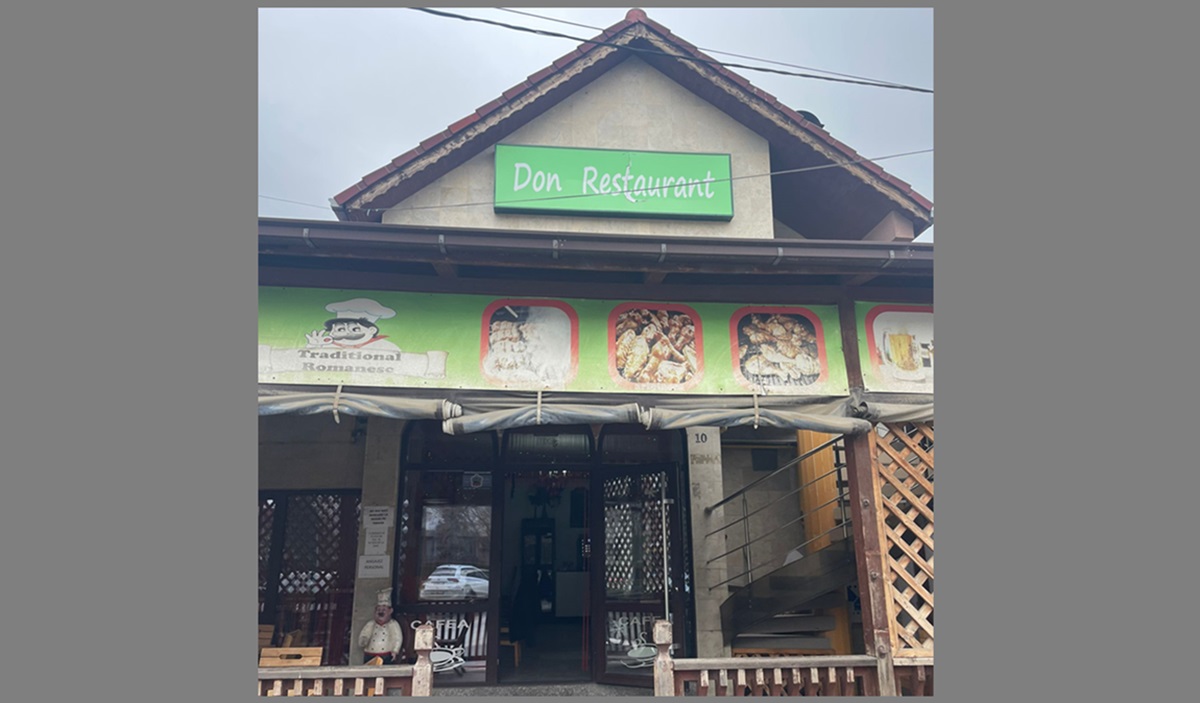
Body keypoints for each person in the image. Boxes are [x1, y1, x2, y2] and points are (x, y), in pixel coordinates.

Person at [358, 589, 403, 664]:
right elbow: (365, 634)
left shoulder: (393, 624)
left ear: (390, 611)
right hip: (370, 654)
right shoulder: (370, 624)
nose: (380, 612)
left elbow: (397, 638)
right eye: (378, 609)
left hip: (386, 654)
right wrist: (363, 640)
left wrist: (395, 650)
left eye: (384, 610)